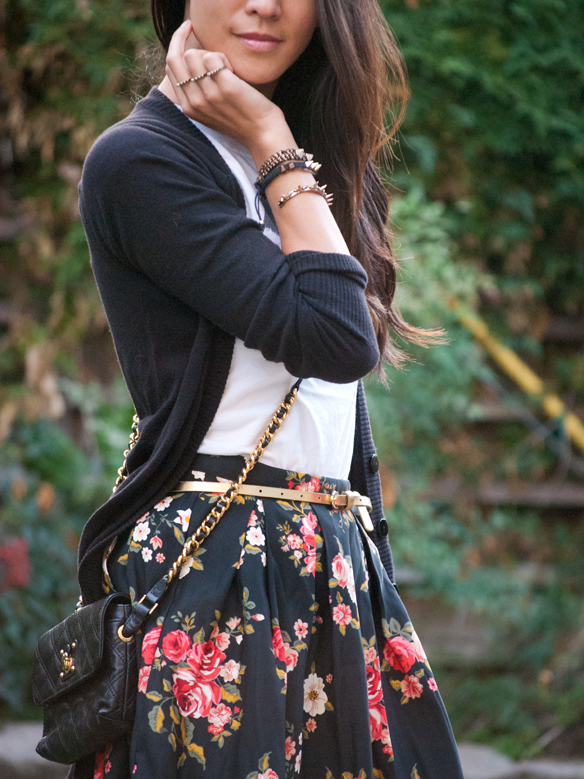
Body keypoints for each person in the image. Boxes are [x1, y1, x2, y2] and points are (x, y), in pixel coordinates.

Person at [74, 0, 465, 777]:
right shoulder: (141, 161)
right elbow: (335, 337)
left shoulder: (311, 162)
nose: (264, 4)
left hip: (334, 563)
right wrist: (272, 141)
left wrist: (280, 146)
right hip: (219, 560)